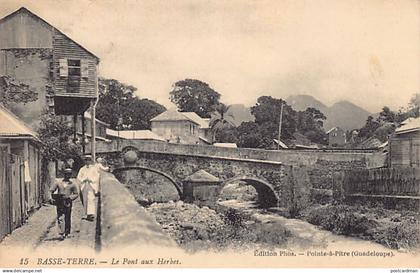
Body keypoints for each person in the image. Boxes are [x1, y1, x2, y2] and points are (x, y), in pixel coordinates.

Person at [50, 168, 79, 240]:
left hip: (68, 202)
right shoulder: (58, 183)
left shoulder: (73, 184)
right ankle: (61, 233)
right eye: (66, 174)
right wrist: (52, 197)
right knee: (60, 217)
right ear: (64, 174)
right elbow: (51, 190)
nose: (67, 176)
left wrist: (70, 198)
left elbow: (76, 194)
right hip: (60, 202)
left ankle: (67, 232)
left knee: (67, 217)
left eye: (69, 174)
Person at [76, 155, 100, 221]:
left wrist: (91, 179)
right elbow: (78, 177)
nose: (87, 161)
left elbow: (97, 176)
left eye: (89, 160)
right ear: (85, 161)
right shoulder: (82, 169)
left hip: (91, 185)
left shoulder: (94, 168)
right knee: (85, 199)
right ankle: (87, 214)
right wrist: (83, 180)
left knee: (91, 199)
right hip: (84, 185)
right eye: (86, 160)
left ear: (91, 161)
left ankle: (91, 214)